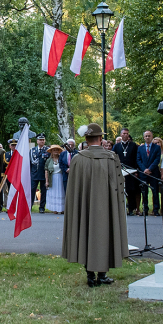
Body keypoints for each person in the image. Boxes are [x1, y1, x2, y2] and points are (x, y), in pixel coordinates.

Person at [62, 123, 128, 287]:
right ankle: (102, 274)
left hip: (85, 207)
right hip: (106, 207)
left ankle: (90, 275)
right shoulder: (111, 158)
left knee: (86, 231)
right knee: (105, 232)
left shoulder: (78, 159)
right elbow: (120, 185)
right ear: (100, 138)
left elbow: (72, 190)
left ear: (86, 139)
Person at [112, 128, 139, 215]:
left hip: (131, 170)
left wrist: (136, 170)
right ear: (121, 135)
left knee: (131, 191)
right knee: (121, 189)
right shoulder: (116, 146)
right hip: (120, 171)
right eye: (123, 133)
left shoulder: (133, 145)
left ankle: (131, 209)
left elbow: (136, 158)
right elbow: (114, 158)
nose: (125, 135)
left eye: (127, 133)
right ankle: (121, 209)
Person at [136, 130, 162, 216]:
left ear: (152, 137)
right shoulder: (140, 148)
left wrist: (150, 169)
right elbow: (138, 160)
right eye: (146, 136)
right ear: (144, 137)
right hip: (143, 174)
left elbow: (157, 160)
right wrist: (144, 169)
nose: (147, 137)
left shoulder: (156, 147)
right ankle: (145, 209)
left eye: (149, 136)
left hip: (153, 173)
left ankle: (156, 209)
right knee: (144, 192)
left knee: (155, 192)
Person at [30, 133, 50, 213]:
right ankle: (29, 206)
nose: (42, 141)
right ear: (37, 141)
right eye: (40, 140)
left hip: (43, 174)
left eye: (43, 140)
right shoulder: (32, 150)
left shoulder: (48, 150)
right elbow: (29, 163)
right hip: (34, 174)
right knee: (32, 190)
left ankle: (42, 207)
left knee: (43, 191)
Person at [45, 144, 67, 214]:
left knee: (61, 192)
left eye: (57, 150)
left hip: (60, 177)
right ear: (51, 151)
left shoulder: (62, 158)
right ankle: (55, 209)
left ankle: (62, 208)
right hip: (52, 178)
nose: (55, 151)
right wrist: (47, 181)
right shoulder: (49, 160)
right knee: (53, 193)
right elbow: (46, 171)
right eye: (54, 150)